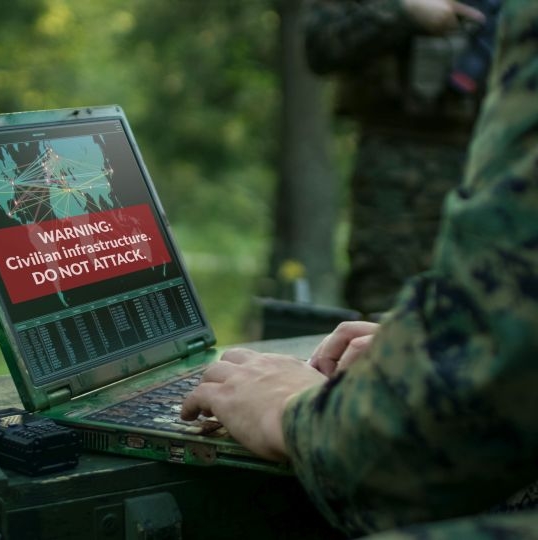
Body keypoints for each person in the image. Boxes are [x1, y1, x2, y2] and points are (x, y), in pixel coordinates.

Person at [182, 0, 538, 536]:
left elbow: (407, 464)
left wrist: (294, 414)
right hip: (398, 170)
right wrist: (439, 351)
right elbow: (322, 41)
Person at [304, 0, 495, 315]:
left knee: (482, 302)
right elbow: (319, 44)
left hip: (491, 161)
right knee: (384, 302)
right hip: (396, 164)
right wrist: (403, 12)